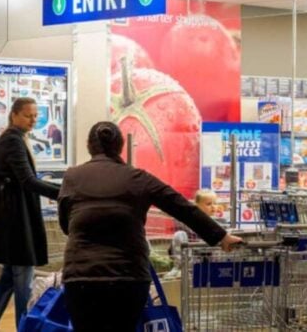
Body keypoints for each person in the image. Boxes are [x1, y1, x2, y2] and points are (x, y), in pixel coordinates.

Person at [58, 122, 243, 332]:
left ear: (89, 146)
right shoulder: (139, 178)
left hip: (82, 277)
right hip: (128, 277)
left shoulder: (72, 177)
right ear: (120, 147)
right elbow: (181, 206)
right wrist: (221, 236)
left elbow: (66, 225)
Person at [0, 97, 61, 332]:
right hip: (17, 223)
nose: (33, 120)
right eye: (28, 115)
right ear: (14, 115)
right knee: (23, 286)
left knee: (7, 281)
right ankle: (24, 328)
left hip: (9, 220)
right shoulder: (12, 142)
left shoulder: (12, 139)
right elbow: (28, 181)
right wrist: (64, 192)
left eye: (35, 116)